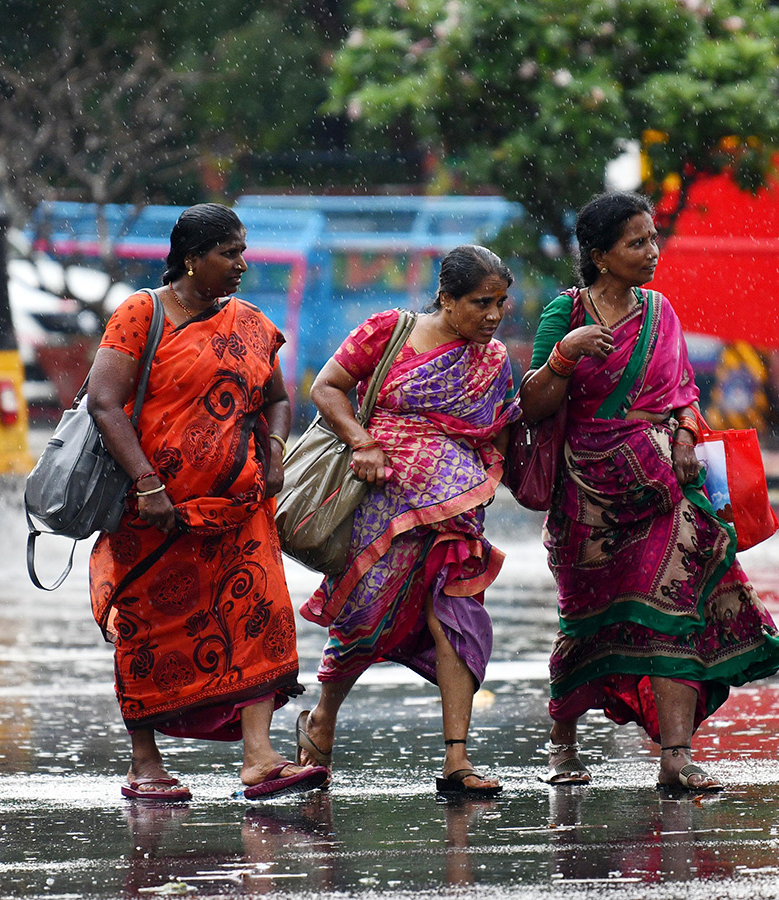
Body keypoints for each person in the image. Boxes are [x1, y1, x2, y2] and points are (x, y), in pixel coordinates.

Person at [518, 190, 779, 791]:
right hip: (587, 498)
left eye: (652, 238)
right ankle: (563, 740)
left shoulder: (660, 312)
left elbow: (684, 392)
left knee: (673, 615)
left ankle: (676, 755)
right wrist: (563, 357)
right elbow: (532, 406)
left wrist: (687, 434)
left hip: (664, 487)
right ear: (600, 255)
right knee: (587, 623)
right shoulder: (567, 313)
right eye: (637, 242)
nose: (652, 252)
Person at [87, 203, 328, 801]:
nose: (242, 264)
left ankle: (259, 757)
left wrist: (274, 453)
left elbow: (275, 397)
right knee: (150, 631)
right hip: (154, 515)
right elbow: (103, 402)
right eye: (229, 253)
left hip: (238, 508)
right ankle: (145, 763)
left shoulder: (249, 321)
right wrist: (147, 483)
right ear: (191, 259)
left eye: (243, 251)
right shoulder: (142, 314)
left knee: (260, 615)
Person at [293, 245, 520, 797]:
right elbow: (326, 388)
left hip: (455, 514)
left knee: (458, 614)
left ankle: (457, 759)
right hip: (381, 503)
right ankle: (322, 718)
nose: (492, 316)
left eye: (501, 304)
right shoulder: (390, 331)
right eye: (480, 302)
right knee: (364, 620)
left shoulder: (492, 361)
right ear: (446, 296)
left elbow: (497, 430)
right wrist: (362, 441)